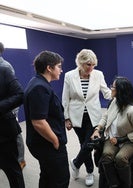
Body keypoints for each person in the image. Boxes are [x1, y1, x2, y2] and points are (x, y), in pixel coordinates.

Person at [62, 49, 111, 186]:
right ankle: (89, 172)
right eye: (88, 65)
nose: (91, 68)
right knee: (83, 143)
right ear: (80, 63)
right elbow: (65, 98)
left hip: (93, 115)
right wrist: (66, 118)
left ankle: (76, 163)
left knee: (90, 143)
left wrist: (119, 94)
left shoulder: (98, 74)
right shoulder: (69, 76)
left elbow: (106, 91)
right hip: (76, 115)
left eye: (93, 65)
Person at [24, 51, 70, 188]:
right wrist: (55, 141)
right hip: (48, 144)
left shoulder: (39, 83)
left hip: (44, 143)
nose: (61, 70)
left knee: (47, 176)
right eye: (59, 66)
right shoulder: (39, 87)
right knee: (60, 180)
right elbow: (38, 122)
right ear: (49, 68)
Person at [91, 76, 133, 188]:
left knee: (120, 158)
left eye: (113, 87)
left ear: (120, 91)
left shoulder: (132, 111)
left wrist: (121, 139)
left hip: (129, 141)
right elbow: (106, 117)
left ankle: (126, 185)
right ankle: (114, 184)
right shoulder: (114, 102)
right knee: (106, 155)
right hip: (111, 138)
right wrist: (98, 129)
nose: (111, 88)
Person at [0, 42, 25, 187]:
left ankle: (21, 160)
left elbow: (18, 94)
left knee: (13, 170)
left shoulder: (4, 68)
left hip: (4, 128)